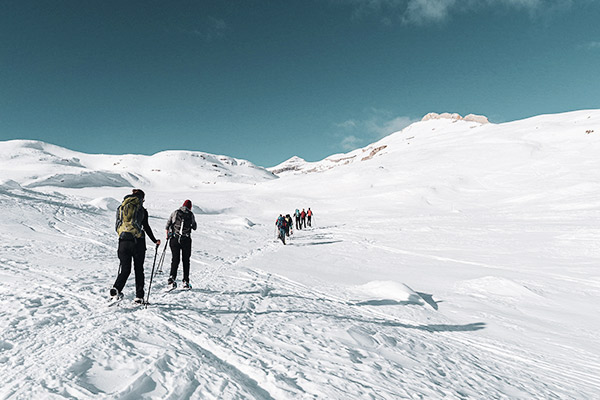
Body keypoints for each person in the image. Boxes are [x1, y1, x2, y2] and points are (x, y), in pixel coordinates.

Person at [111, 189, 161, 304]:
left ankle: (117, 288)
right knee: (139, 270)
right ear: (141, 198)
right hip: (138, 243)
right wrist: (155, 240)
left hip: (123, 241)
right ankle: (139, 296)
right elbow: (146, 227)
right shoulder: (141, 210)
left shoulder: (121, 208)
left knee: (125, 269)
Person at [165, 199, 197, 290]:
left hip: (174, 239)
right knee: (186, 260)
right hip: (186, 239)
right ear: (190, 207)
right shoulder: (190, 214)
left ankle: (172, 279)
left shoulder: (175, 212)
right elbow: (194, 227)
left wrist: (167, 236)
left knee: (175, 259)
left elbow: (167, 225)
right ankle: (185, 281)